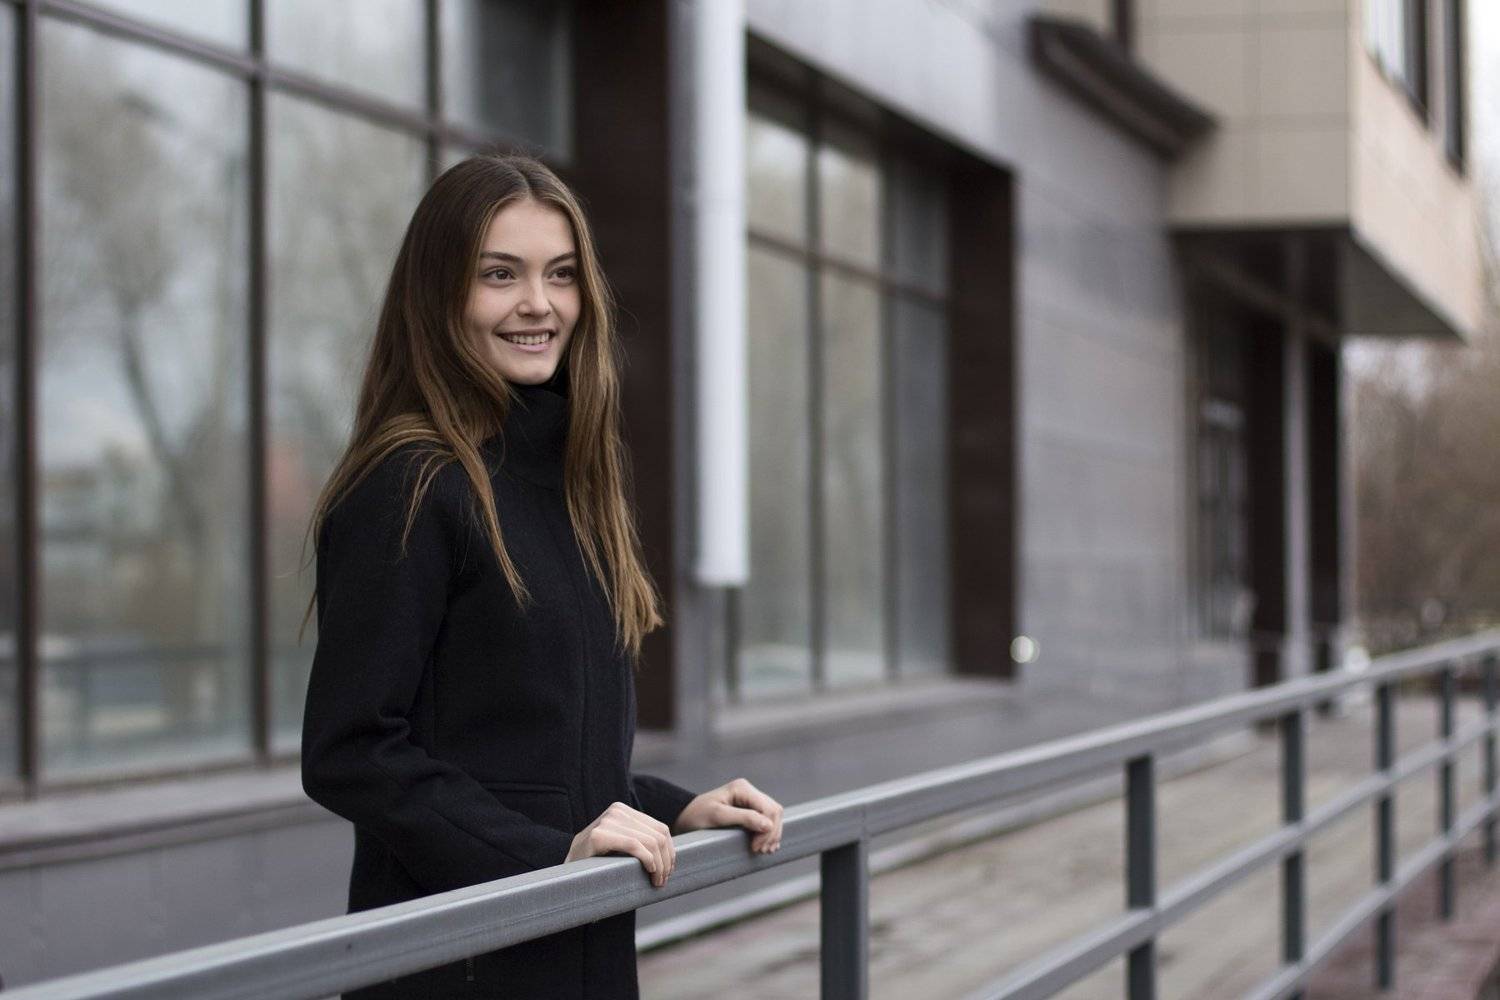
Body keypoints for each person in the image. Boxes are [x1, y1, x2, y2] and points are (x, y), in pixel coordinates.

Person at [298, 153, 783, 999]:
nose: (538, 303)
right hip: (461, 963)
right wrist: (544, 856)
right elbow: (351, 749)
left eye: (560, 275)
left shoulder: (566, 484)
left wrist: (674, 808)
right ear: (438, 294)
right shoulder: (411, 484)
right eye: (499, 274)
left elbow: (532, 753)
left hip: (570, 940)